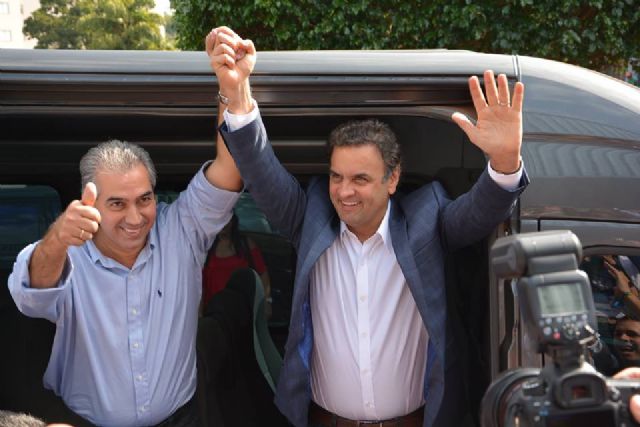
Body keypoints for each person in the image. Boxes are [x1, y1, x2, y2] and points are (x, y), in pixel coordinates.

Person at [209, 27, 528, 427]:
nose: (344, 191)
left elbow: (480, 212)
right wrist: (236, 92)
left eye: (360, 179)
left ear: (392, 179)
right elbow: (260, 169)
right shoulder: (309, 219)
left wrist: (504, 161)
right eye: (336, 177)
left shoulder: (427, 223)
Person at [7, 40, 243, 426]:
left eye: (144, 199)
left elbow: (230, 168)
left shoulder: (182, 228)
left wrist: (230, 86)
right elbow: (30, 295)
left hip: (181, 419)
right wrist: (59, 238)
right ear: (91, 203)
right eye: (117, 203)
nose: (135, 217)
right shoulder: (67, 252)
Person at [201, 212, 271, 312]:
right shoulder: (207, 247)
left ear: (232, 221)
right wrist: (199, 311)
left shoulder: (246, 245)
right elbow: (200, 283)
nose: (223, 223)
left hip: (242, 311)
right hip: (213, 311)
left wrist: (267, 301)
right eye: (219, 219)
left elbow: (263, 274)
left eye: (226, 219)